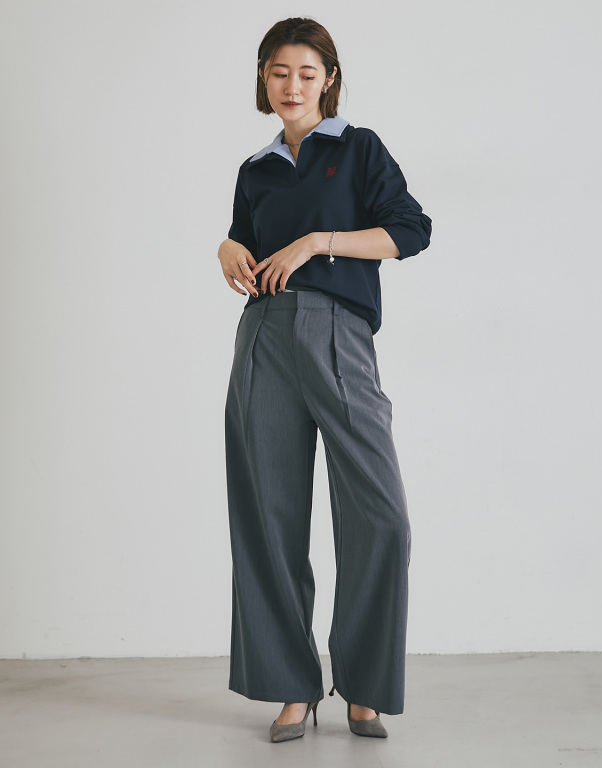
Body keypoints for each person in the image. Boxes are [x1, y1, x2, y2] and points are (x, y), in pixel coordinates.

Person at [217, 17, 432, 743]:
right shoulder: (256, 168)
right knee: (268, 515)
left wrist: (317, 243)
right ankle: (291, 685)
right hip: (263, 338)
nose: (292, 85)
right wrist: (227, 247)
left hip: (339, 332)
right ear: (264, 78)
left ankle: (364, 684)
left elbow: (411, 230)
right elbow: (246, 241)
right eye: (279, 72)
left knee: (381, 514)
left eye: (307, 73)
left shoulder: (358, 148)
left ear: (329, 79)